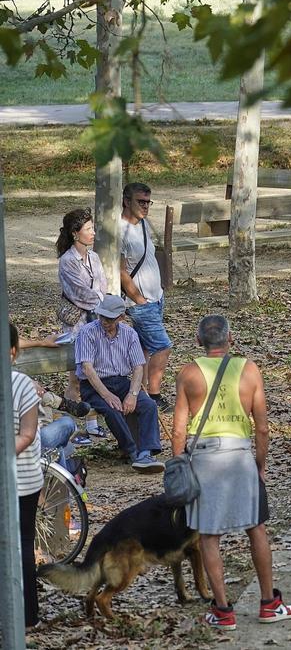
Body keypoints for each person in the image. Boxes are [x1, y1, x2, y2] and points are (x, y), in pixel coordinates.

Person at [172, 315, 291, 629]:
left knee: (209, 536)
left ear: (199, 342)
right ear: (231, 340)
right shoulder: (250, 370)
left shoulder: (188, 374)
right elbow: (264, 427)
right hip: (240, 453)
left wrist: (179, 465)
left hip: (203, 457)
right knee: (256, 528)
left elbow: (177, 431)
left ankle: (223, 610)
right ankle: (269, 603)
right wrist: (259, 463)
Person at [75, 294, 164, 473]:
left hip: (122, 382)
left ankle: (146, 452)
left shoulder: (129, 334)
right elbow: (87, 368)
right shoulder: (87, 332)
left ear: (121, 317)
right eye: (102, 317)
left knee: (147, 405)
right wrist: (107, 395)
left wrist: (132, 394)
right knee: (112, 409)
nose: (104, 321)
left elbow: (138, 367)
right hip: (94, 385)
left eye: (109, 318)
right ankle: (133, 451)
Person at [120, 183, 173, 410]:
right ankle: (154, 395)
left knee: (143, 349)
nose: (145, 206)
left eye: (148, 202)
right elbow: (120, 271)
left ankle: (139, 393)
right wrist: (139, 299)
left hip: (155, 297)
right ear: (126, 201)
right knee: (162, 346)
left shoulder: (141, 225)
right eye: (140, 201)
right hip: (141, 302)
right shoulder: (119, 230)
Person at [55, 207, 106, 436]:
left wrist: (101, 300)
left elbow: (102, 285)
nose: (93, 233)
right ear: (76, 233)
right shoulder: (67, 261)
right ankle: (71, 427)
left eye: (92, 228)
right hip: (77, 323)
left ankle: (93, 425)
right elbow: (80, 293)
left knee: (93, 373)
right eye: (88, 229)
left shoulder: (94, 257)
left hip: (95, 319)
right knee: (76, 376)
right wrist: (102, 301)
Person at [10, 321, 44, 627]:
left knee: (19, 545)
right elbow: (29, 434)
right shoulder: (22, 384)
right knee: (22, 543)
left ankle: (27, 612)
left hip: (21, 480)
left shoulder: (21, 385)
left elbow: (28, 434)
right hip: (24, 479)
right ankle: (27, 615)